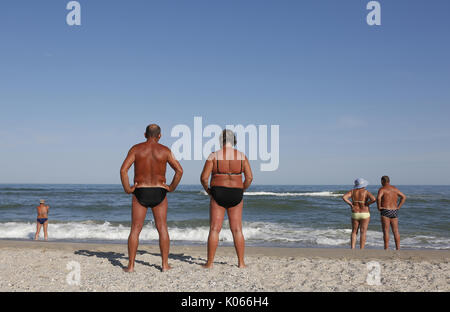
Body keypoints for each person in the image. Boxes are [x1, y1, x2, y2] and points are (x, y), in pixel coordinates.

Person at [120, 124, 183, 272]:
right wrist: (171, 187)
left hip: (141, 190)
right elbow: (179, 170)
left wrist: (128, 189)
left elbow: (123, 170)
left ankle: (130, 266)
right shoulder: (165, 151)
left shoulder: (136, 149)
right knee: (162, 228)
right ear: (159, 135)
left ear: (144, 134)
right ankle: (165, 265)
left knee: (135, 229)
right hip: (159, 191)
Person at [200, 129, 253, 268]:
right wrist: (242, 189)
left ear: (220, 140)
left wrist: (209, 192)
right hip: (236, 192)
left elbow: (204, 178)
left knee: (214, 229)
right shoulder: (242, 156)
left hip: (218, 191)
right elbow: (249, 177)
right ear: (233, 140)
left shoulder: (214, 156)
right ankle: (241, 263)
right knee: (237, 229)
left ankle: (210, 263)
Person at [342, 178, 376, 249]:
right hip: (365, 213)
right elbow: (374, 199)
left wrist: (351, 204)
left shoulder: (352, 191)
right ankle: (361, 249)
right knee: (363, 232)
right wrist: (367, 203)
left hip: (355, 213)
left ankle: (353, 248)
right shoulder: (366, 192)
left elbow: (344, 197)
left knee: (354, 231)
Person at [377, 175, 406, 250]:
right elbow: (403, 197)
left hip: (386, 210)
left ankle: (386, 249)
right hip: (394, 210)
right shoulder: (395, 189)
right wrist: (398, 207)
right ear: (389, 181)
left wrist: (379, 207)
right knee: (396, 231)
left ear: (383, 181)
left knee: (386, 231)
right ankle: (398, 248)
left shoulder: (382, 189)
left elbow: (378, 198)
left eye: (381, 181)